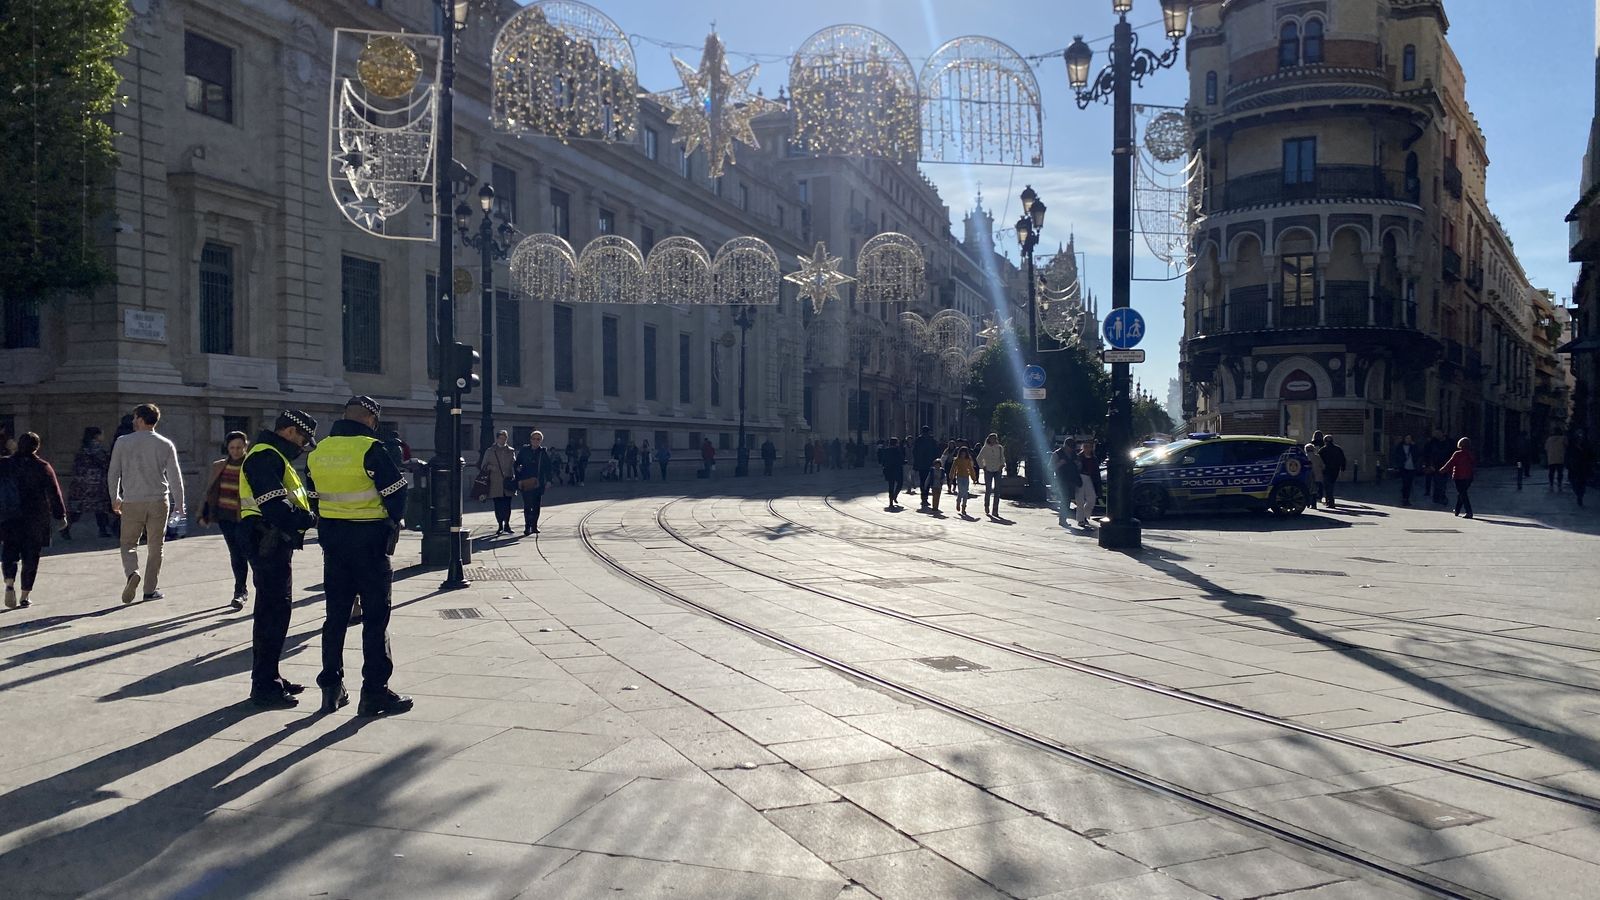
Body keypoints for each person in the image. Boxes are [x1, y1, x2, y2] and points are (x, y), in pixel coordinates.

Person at [306, 396, 411, 717]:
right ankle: (374, 691)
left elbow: (312, 497)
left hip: (334, 543)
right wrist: (392, 520)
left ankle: (331, 687)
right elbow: (397, 492)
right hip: (369, 542)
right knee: (376, 618)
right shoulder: (371, 448)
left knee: (335, 617)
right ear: (369, 419)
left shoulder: (319, 451)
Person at [239, 410, 318, 708]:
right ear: (288, 431)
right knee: (273, 612)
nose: (302, 444)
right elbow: (274, 505)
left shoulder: (272, 455)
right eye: (302, 438)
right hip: (266, 538)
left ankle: (270, 675)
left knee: (275, 610)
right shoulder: (264, 455)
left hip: (270, 539)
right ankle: (264, 685)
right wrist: (308, 518)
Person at [107, 403, 185, 604]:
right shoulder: (165, 443)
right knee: (156, 546)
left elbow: (114, 472)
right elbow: (175, 477)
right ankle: (149, 590)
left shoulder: (123, 442)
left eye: (135, 418)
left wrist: (115, 497)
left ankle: (132, 573)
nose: (133, 421)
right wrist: (180, 504)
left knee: (128, 544)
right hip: (159, 500)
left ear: (141, 419)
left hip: (132, 500)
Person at [1, 433, 67, 609]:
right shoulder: (42, 466)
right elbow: (54, 493)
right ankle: (24, 595)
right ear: (36, 447)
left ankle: (9, 583)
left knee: (9, 550)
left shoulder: (5, 464)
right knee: (31, 556)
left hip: (10, 516)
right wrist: (60, 516)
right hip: (35, 517)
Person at [199, 431, 252, 610]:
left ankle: (259, 590)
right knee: (236, 554)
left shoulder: (251, 465)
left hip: (245, 517)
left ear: (246, 446)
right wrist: (203, 514)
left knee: (250, 554)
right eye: (232, 448)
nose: (236, 451)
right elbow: (210, 491)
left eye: (239, 447)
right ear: (227, 448)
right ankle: (240, 591)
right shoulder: (219, 466)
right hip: (225, 517)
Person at [66, 426, 113, 539]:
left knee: (78, 509)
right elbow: (106, 462)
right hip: (95, 483)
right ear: (96, 436)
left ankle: (66, 529)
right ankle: (102, 530)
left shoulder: (83, 448)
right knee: (100, 508)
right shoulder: (97, 449)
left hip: (81, 484)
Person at [479, 430, 517, 536]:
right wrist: (491, 467)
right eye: (501, 437)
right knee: (498, 505)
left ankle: (507, 524)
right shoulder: (490, 451)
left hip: (508, 482)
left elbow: (515, 464)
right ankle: (500, 525)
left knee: (507, 505)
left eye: (505, 437)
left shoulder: (511, 450)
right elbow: (483, 466)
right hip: (495, 482)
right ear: (497, 439)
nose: (503, 439)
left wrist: (517, 469)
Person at [515, 430, 554, 535]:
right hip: (526, 482)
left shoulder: (543, 452)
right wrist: (518, 478)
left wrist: (549, 481)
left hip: (538, 483)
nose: (536, 441)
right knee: (527, 505)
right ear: (530, 439)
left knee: (536, 505)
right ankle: (527, 527)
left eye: (538, 439)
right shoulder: (524, 450)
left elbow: (548, 468)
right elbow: (517, 464)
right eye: (534, 438)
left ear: (541, 441)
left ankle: (534, 526)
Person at [1440, 436, 1477, 519]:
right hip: (1469, 477)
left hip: (1459, 476)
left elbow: (1451, 463)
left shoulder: (1457, 453)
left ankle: (1469, 511)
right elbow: (1474, 463)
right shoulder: (1471, 453)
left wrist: (1442, 470)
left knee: (1463, 494)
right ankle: (1457, 510)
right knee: (1462, 493)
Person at [977, 433, 1006, 519]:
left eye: (995, 438)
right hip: (988, 470)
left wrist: (1002, 465)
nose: (993, 440)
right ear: (989, 439)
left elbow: (1002, 458)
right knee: (988, 489)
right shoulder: (985, 448)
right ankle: (986, 505)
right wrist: (983, 466)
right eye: (991, 438)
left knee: (997, 491)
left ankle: (995, 510)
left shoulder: (1000, 448)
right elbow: (979, 458)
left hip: (997, 470)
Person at [911, 426, 940, 510]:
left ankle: (923, 498)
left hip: (921, 465)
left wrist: (916, 464)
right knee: (928, 482)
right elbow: (936, 453)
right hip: (929, 465)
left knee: (923, 481)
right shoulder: (932, 441)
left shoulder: (918, 440)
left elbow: (915, 453)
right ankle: (925, 498)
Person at [1053, 439, 1079, 527]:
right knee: (1065, 499)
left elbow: (1078, 465)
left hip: (1071, 479)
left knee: (1067, 500)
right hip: (1061, 479)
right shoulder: (1057, 453)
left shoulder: (1073, 454)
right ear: (1065, 445)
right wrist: (1060, 463)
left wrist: (1077, 464)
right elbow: (1050, 467)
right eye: (1070, 447)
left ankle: (1063, 518)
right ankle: (1062, 519)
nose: (1071, 449)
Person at [1390, 434, 1420, 506]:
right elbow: (1396, 456)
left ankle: (1407, 498)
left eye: (1410, 438)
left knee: (1409, 484)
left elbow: (1418, 454)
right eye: (1407, 438)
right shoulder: (1400, 447)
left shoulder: (1413, 447)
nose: (1408, 440)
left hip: (1412, 467)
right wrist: (1397, 465)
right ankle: (1404, 498)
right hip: (1403, 467)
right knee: (1405, 483)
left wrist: (1415, 446)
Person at [1423, 429, 1451, 504]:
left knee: (1443, 482)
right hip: (1434, 465)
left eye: (1438, 433)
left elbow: (1451, 453)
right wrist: (1429, 464)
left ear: (1443, 433)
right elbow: (1427, 454)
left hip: (1445, 464)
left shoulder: (1449, 442)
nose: (1437, 435)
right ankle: (1437, 497)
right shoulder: (1432, 443)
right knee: (1436, 482)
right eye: (1436, 433)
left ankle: (1442, 496)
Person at [1076, 440, 1100, 528]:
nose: (1087, 448)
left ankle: (1085, 515)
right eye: (1085, 446)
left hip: (1090, 478)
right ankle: (1080, 519)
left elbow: (1096, 471)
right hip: (1080, 477)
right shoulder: (1079, 457)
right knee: (1080, 500)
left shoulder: (1094, 458)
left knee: (1092, 498)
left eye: (1089, 446)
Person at [1319, 436, 1347, 509]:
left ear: (1325, 441)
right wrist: (1343, 467)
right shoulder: (1338, 449)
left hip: (1326, 470)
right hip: (1335, 470)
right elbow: (1343, 459)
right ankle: (1329, 501)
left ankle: (1330, 502)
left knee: (1327, 486)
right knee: (1331, 485)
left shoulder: (1323, 450)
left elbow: (1319, 459)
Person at [1568, 428, 1594, 508]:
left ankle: (1580, 496)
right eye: (1578, 434)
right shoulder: (1571, 445)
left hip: (1583, 467)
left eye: (1581, 434)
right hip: (1573, 467)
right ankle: (1578, 493)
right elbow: (1568, 455)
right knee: (1574, 482)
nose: (1580, 436)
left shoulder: (1586, 444)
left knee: (1582, 483)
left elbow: (1591, 455)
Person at [949, 447, 977, 518]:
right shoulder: (957, 460)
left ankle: (964, 506)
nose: (963, 455)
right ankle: (958, 502)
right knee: (961, 491)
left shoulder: (968, 460)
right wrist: (951, 477)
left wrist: (973, 478)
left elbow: (971, 469)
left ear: (966, 454)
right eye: (962, 454)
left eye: (964, 454)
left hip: (966, 477)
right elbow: (953, 469)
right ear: (960, 454)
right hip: (959, 477)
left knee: (965, 492)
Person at [879, 437, 906, 509]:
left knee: (891, 486)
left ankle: (891, 502)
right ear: (896, 443)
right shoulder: (897, 451)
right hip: (897, 470)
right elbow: (901, 460)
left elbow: (883, 460)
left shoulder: (886, 451)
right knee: (900, 483)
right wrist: (905, 462)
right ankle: (895, 495)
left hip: (889, 470)